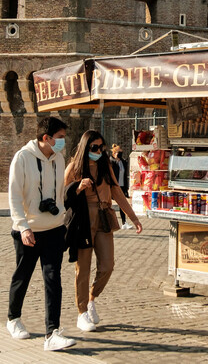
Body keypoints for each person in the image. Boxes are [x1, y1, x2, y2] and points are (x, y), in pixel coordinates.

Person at [6, 116, 75, 352]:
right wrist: (22, 225)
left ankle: (52, 332)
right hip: (29, 231)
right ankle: (13, 318)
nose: (63, 142)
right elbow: (14, 196)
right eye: (60, 138)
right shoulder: (22, 158)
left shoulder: (59, 158)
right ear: (46, 138)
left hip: (54, 228)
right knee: (22, 276)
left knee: (53, 280)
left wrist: (62, 218)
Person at [64, 129, 143, 333]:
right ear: (85, 147)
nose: (99, 151)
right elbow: (64, 196)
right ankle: (81, 313)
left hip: (104, 215)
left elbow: (117, 191)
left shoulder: (105, 165)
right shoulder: (74, 167)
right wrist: (79, 187)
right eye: (94, 147)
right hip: (83, 218)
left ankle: (91, 298)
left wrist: (133, 218)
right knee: (83, 267)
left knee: (107, 265)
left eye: (101, 147)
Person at [109, 144, 130, 227]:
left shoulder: (123, 162)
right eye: (118, 152)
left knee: (122, 203)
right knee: (108, 203)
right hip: (113, 185)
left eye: (121, 152)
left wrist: (126, 187)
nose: (120, 154)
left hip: (121, 186)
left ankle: (124, 222)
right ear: (114, 153)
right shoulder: (111, 162)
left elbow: (125, 175)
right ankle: (110, 222)